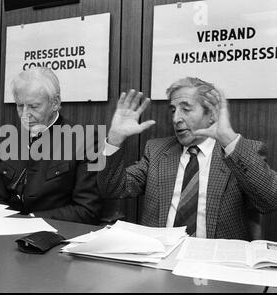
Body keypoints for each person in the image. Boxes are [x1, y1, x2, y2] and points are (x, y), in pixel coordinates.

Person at [98, 77, 277, 240]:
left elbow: (270, 200)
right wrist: (114, 138)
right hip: (159, 257)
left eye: (186, 109)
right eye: (174, 110)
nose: (176, 119)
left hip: (214, 263)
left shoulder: (239, 152)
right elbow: (112, 189)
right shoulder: (157, 150)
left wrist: (229, 140)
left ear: (211, 115)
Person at [0, 67, 101, 224]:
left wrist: (30, 220)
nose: (25, 114)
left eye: (34, 106)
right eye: (20, 106)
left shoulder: (85, 139)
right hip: (6, 229)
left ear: (55, 103)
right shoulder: (11, 140)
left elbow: (87, 210)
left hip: (56, 236)